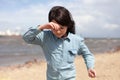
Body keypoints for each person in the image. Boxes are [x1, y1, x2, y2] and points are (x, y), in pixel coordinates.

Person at [23, 6, 96, 80]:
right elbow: (26, 38)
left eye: (62, 28)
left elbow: (87, 54)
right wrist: (41, 27)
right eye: (55, 28)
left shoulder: (76, 40)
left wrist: (90, 67)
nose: (58, 31)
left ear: (68, 25)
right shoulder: (45, 37)